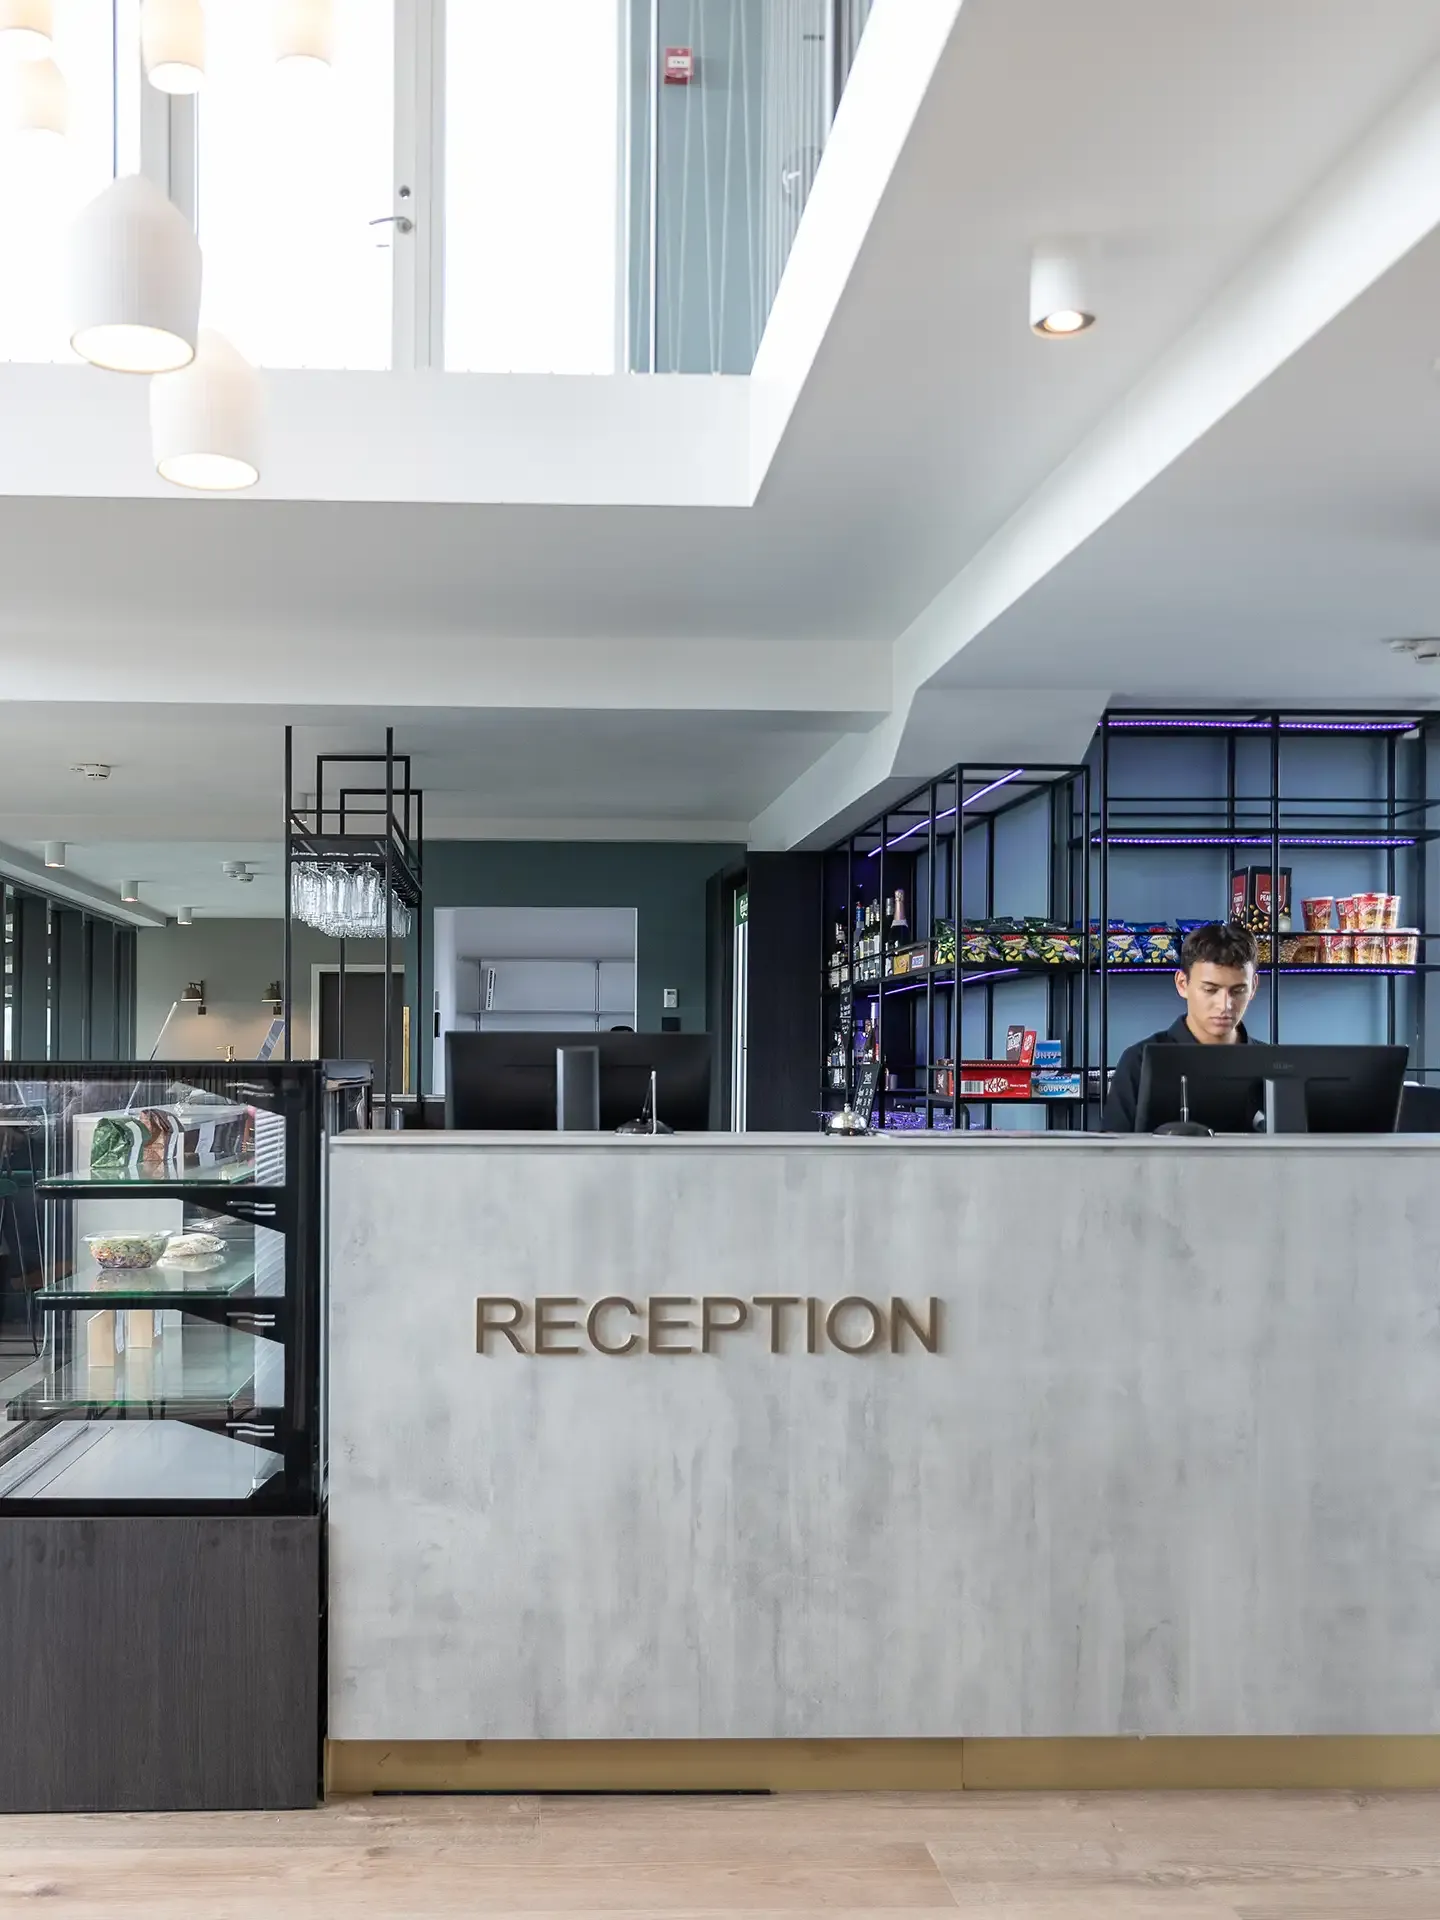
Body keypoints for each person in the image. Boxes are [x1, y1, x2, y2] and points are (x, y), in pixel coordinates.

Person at [1102, 921, 1258, 1131]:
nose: (1225, 1005)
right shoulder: (1139, 1062)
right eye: (1210, 990)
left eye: (1238, 990)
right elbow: (1113, 1156)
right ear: (1182, 984)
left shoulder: (1275, 1068)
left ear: (1253, 987)